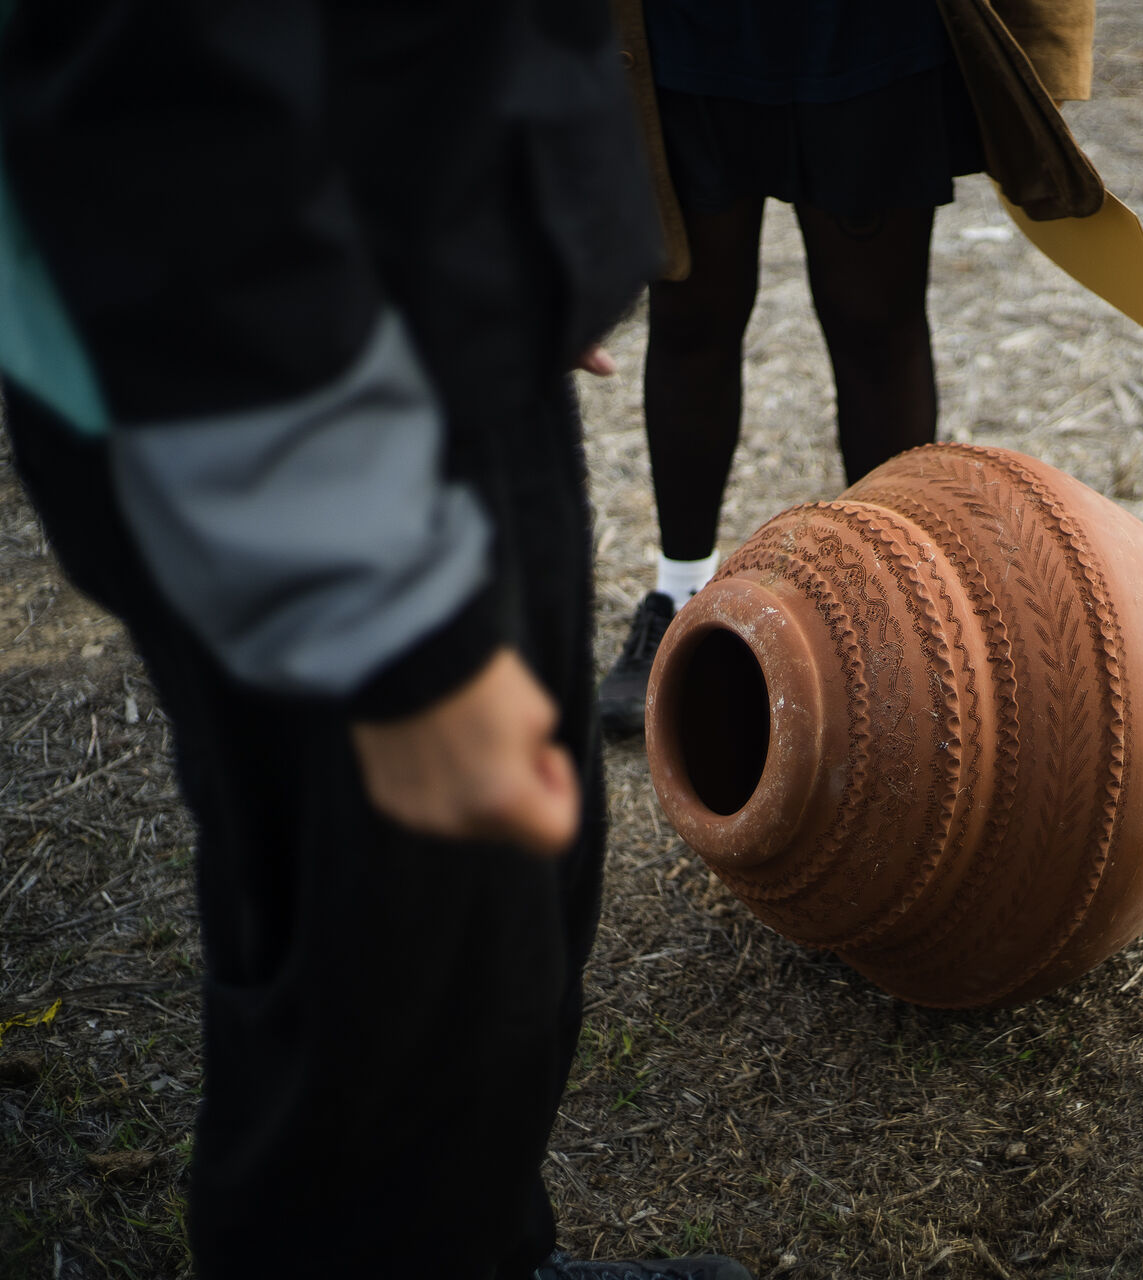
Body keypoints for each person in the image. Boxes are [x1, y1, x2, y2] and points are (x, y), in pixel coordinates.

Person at [0, 3, 747, 1276]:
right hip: (269, 369)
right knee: (382, 999)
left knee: (497, 939)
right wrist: (381, 615)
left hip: (419, 293)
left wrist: (510, 203)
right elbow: (163, 92)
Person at [595, 0, 1096, 736]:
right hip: (686, 34)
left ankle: (893, 619)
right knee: (690, 318)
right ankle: (678, 595)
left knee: (875, 325)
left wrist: (1043, 46)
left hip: (868, 32)